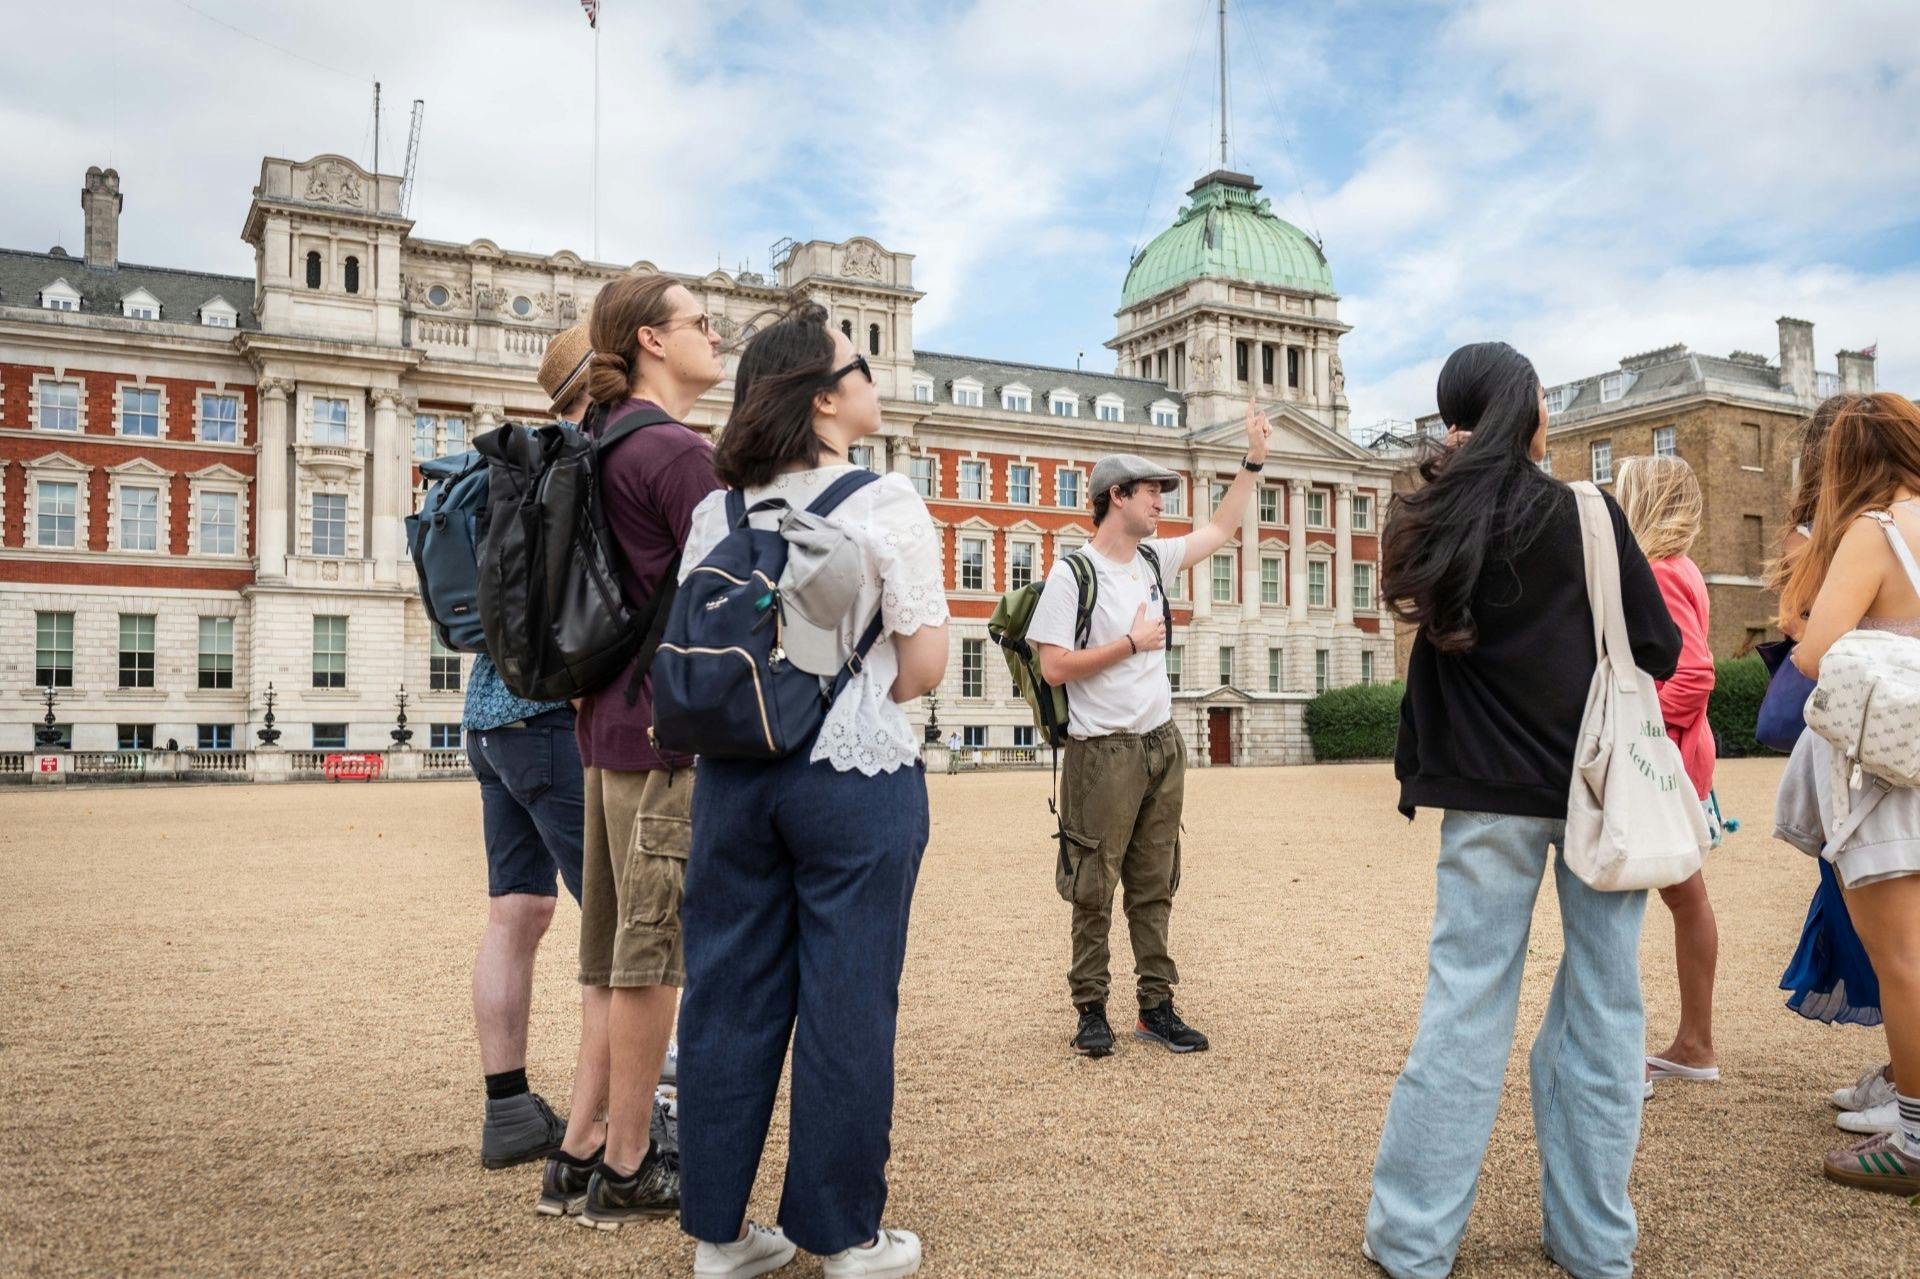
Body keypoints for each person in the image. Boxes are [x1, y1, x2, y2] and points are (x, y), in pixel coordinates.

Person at [1367, 342, 1681, 1279]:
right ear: (1536, 411)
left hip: (1484, 798)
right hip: (1599, 793)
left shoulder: (1429, 513)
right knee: (1605, 1009)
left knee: (1464, 1009)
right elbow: (1656, 648)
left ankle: (1414, 1241)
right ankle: (1593, 1243)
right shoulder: (1587, 511)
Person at [674, 303, 949, 1279]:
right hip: (853, 773)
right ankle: (843, 1236)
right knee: (847, 1001)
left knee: (727, 995)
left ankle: (720, 1235)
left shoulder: (721, 510)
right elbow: (923, 665)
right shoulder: (886, 502)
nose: (875, 381)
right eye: (860, 367)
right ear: (827, 398)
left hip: (734, 778)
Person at [550, 275, 725, 1230]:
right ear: (654, 341)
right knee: (653, 959)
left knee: (612, 954)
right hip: (665, 735)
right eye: (702, 323)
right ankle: (627, 1166)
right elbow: (733, 603)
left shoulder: (601, 436)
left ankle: (576, 1151)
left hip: (606, 729)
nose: (715, 335)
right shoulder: (673, 453)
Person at [1027, 402, 1273, 1059]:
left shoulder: (1153, 560)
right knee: (1092, 886)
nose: (1163, 501)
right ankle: (1090, 1010)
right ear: (1117, 496)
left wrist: (1252, 461)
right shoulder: (1073, 573)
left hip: (1162, 742)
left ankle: (1156, 1006)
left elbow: (1221, 529)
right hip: (1101, 749)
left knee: (1156, 880)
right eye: (1152, 492)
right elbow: (1052, 667)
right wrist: (1131, 643)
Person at [1776, 391, 1920, 1196]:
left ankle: (1916, 1138)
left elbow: (1812, 652)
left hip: (1891, 769)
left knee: (1902, 956)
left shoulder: (1878, 530)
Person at [472, 322, 592, 1174]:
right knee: (621, 929)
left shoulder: (515, 459)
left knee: (517, 913)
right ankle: (613, 1127)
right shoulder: (583, 460)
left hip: (487, 715)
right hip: (550, 718)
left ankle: (509, 1109)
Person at [1772, 400, 1888, 1126]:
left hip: (1865, 735)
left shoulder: (1854, 533)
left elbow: (1803, 632)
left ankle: (1909, 1095)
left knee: (1879, 917)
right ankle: (1902, 1072)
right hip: (1872, 730)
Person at [1615, 456, 1721, 1096]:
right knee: (1684, 898)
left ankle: (1640, 1053)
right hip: (1678, 755)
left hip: (1661, 760)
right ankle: (1693, 1043)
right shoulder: (1682, 568)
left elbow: (1695, 676)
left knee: (1619, 898)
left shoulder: (1658, 571)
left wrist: (1635, 723)